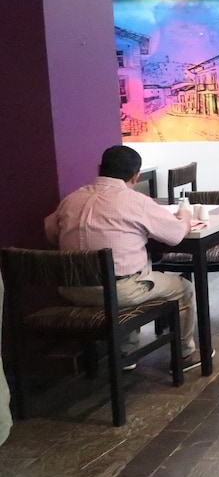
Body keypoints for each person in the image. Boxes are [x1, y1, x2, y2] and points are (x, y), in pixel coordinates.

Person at [43, 145, 204, 371]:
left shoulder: (71, 200)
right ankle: (185, 354)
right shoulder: (136, 201)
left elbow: (50, 233)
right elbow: (175, 235)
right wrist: (184, 216)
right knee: (182, 288)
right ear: (135, 176)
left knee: (132, 272)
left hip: (71, 290)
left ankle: (126, 351)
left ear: (99, 168)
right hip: (119, 292)